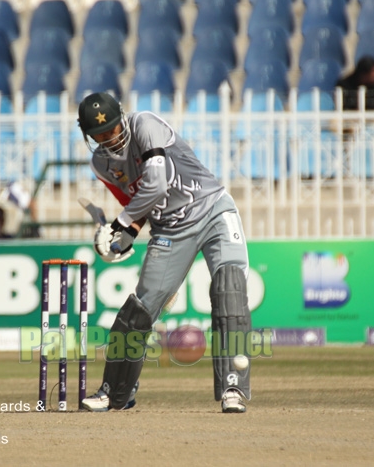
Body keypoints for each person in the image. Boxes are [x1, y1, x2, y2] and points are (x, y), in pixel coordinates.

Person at [77, 92, 252, 414]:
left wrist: (121, 225)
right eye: (99, 136)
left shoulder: (145, 124)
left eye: (112, 130)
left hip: (213, 210)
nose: (108, 139)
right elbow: (137, 203)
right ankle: (116, 392)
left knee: (230, 287)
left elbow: (155, 184)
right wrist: (125, 235)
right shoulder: (101, 164)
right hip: (169, 231)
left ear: (122, 119)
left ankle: (233, 387)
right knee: (138, 312)